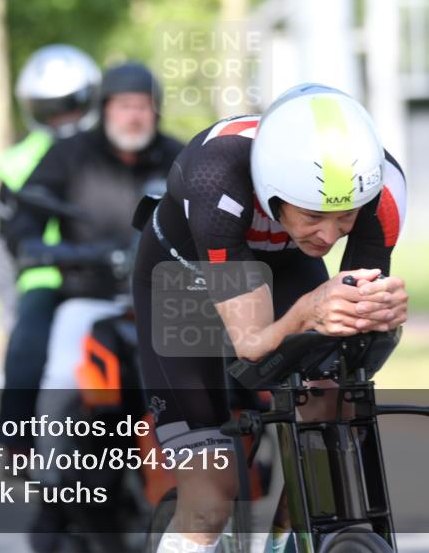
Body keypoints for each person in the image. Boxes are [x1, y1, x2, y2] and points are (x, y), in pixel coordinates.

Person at [132, 83, 409, 553]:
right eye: (313, 215)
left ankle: (289, 540)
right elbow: (254, 343)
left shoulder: (383, 192)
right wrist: (308, 311)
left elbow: (351, 331)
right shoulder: (216, 178)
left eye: (345, 219)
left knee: (330, 407)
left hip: (284, 265)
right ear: (271, 190)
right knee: (210, 500)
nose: (329, 235)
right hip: (181, 279)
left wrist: (381, 316)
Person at [1, 61, 185, 551]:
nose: (133, 116)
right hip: (89, 296)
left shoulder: (181, 158)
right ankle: (55, 486)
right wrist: (33, 245)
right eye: (123, 105)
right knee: (62, 374)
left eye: (142, 106)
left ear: (156, 110)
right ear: (104, 109)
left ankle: (227, 474)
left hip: (166, 299)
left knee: (220, 373)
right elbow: (26, 213)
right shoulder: (70, 155)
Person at [0, 44, 101, 454]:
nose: (63, 119)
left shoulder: (113, 150)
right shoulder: (16, 163)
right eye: (50, 109)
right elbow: (3, 244)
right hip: (47, 277)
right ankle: (18, 444)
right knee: (26, 347)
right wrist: (10, 306)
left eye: (71, 107)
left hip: (109, 275)